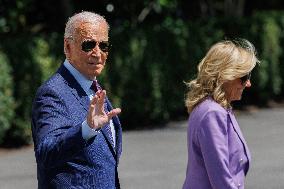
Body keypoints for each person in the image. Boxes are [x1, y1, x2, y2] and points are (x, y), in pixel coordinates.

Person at [31, 11, 122, 189]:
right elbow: (46, 152)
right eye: (88, 45)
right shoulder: (52, 92)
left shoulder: (93, 87)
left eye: (103, 46)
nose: (97, 53)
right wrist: (86, 129)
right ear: (68, 47)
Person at [182, 39, 259, 189]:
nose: (248, 84)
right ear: (225, 77)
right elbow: (222, 180)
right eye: (244, 77)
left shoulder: (211, 108)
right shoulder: (213, 113)